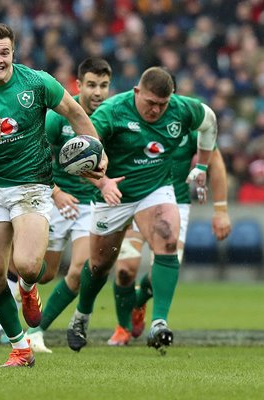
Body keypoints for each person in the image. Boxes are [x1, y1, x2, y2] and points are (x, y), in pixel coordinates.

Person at [0, 23, 104, 367]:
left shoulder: (37, 82)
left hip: (32, 185)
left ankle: (28, 287)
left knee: (28, 266)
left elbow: (76, 113)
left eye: (4, 52)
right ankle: (20, 348)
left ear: (13, 53)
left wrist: (99, 152)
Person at [66, 67, 218, 354]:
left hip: (155, 189)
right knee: (99, 265)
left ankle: (159, 321)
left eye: (163, 104)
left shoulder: (183, 110)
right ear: (137, 92)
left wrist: (201, 165)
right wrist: (103, 183)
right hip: (115, 193)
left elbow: (210, 122)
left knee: (168, 240)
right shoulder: (110, 113)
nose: (156, 110)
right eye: (150, 103)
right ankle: (81, 316)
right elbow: (78, 157)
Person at [107, 137, 231, 346]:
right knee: (125, 270)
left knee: (161, 273)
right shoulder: (133, 116)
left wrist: (221, 210)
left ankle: (138, 304)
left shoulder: (187, 120)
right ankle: (123, 328)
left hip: (176, 203)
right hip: (136, 198)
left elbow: (216, 162)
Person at [26, 57, 113, 353]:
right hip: (55, 201)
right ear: (79, 85)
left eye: (103, 85)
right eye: (91, 85)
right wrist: (57, 192)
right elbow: (35, 159)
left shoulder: (110, 117)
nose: (97, 92)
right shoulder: (58, 118)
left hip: (89, 205)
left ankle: (36, 332)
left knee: (78, 271)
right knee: (43, 273)